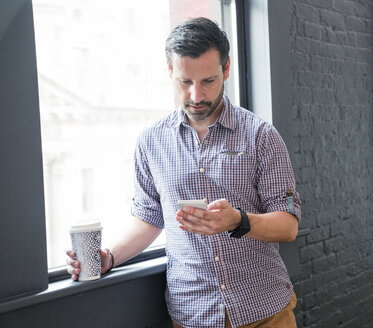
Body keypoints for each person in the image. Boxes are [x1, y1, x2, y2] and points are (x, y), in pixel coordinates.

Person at [66, 17, 301, 328]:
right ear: (170, 72)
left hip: (264, 310)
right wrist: (109, 257)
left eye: (208, 81)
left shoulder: (261, 136)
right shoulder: (151, 141)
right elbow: (148, 216)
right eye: (185, 82)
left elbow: (288, 225)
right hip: (193, 314)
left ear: (226, 70)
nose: (196, 96)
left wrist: (238, 221)